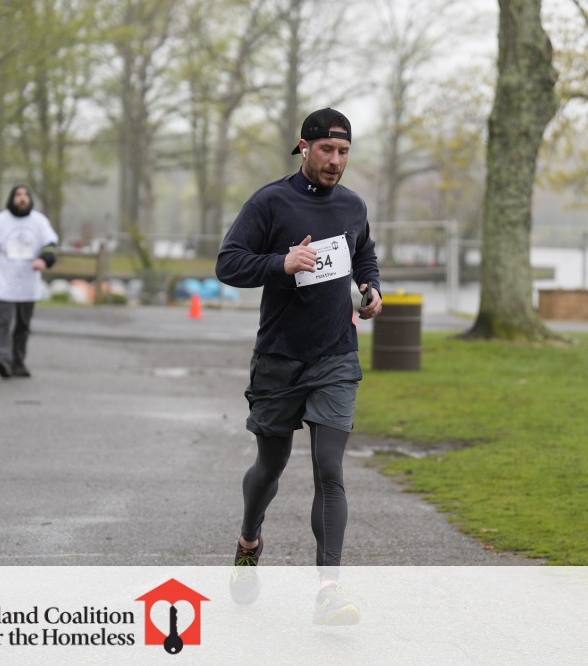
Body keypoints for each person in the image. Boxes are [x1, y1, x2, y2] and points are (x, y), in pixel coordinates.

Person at [216, 108, 382, 625]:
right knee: (270, 466)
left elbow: (364, 255)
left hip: (335, 357)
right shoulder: (270, 202)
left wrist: (371, 289)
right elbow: (228, 263)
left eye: (344, 152)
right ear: (304, 147)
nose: (335, 161)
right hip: (279, 359)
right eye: (326, 150)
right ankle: (249, 541)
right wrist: (280, 263)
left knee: (329, 470)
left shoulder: (352, 205)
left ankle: (328, 590)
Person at [0, 184, 58, 379]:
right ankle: (3, 360)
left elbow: (50, 245)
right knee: (4, 324)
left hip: (28, 286)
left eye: (26, 195)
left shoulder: (39, 221)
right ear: (11, 198)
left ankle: (18, 362)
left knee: (23, 326)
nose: (22, 198)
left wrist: (44, 260)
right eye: (18, 195)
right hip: (4, 285)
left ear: (30, 199)